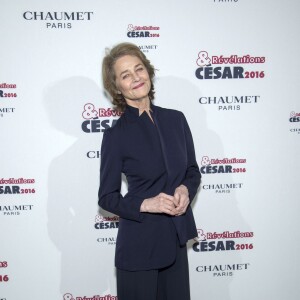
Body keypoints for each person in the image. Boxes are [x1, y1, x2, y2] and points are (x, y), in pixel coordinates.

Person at [98, 42, 201, 300]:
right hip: (139, 247)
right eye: (125, 75)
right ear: (117, 87)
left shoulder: (176, 119)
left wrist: (184, 189)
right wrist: (146, 204)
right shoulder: (115, 135)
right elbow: (107, 198)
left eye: (139, 69)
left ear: (148, 72)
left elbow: (192, 171)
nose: (135, 78)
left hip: (176, 240)